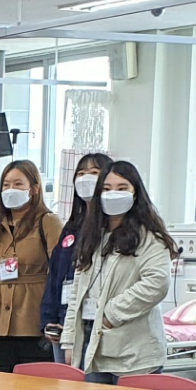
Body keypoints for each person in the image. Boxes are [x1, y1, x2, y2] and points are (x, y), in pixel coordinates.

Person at [61, 160, 177, 383]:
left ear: (135, 193)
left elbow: (157, 283)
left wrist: (110, 315)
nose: (113, 194)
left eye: (122, 188)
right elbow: (77, 289)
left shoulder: (149, 237)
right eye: (106, 189)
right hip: (91, 342)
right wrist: (69, 339)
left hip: (134, 350)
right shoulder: (93, 235)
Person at [0, 160, 62, 372]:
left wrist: (58, 317)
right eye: (6, 185)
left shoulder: (48, 222)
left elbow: (60, 271)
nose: (11, 190)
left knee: (34, 383)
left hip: (33, 319)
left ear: (34, 189)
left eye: (18, 184)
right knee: (1, 383)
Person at [42, 151, 112, 362]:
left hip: (97, 322)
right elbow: (55, 276)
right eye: (81, 173)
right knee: (64, 380)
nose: (86, 178)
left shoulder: (113, 227)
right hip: (63, 322)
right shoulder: (71, 228)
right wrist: (49, 318)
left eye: (94, 172)